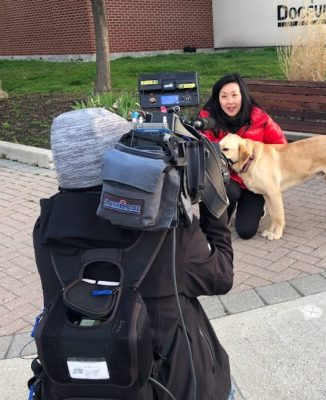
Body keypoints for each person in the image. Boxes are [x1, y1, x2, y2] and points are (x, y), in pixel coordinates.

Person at [32, 108, 236, 400]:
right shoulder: (167, 227)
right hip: (174, 384)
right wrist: (214, 205)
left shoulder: (45, 230)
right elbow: (221, 276)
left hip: (77, 388)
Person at [198, 73, 287, 239]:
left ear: (243, 96)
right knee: (228, 192)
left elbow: (281, 146)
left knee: (246, 231)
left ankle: (259, 209)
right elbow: (203, 150)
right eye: (224, 96)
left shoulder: (259, 118)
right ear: (218, 99)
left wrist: (264, 166)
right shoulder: (207, 119)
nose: (229, 101)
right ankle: (226, 213)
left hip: (255, 181)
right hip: (227, 178)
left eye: (234, 95)